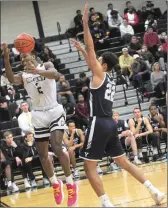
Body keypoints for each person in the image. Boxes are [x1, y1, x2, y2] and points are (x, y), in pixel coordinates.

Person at [72, 3, 165, 207]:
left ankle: (107, 204)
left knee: (89, 168)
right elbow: (89, 55)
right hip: (110, 124)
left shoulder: (99, 74)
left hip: (98, 122)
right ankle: (155, 191)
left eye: (98, 60)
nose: (94, 60)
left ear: (103, 65)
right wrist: (82, 51)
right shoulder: (109, 79)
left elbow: (90, 47)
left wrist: (85, 23)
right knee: (124, 162)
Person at [3, 44, 78, 207]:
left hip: (54, 110)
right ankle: (55, 184)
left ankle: (71, 184)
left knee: (57, 148)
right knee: (43, 155)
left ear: (33, 54)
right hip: (38, 114)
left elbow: (56, 75)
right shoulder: (23, 75)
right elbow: (10, 78)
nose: (23, 59)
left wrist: (38, 71)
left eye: (25, 56)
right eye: (21, 58)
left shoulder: (46, 65)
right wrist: (6, 58)